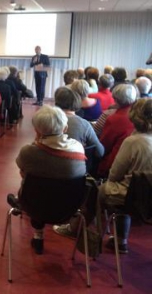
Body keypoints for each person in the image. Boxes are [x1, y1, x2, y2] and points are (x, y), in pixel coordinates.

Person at [8, 105, 86, 254]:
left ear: (36, 131)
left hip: (33, 205)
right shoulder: (78, 147)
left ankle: (38, 235)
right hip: (70, 207)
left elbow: (22, 172)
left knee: (38, 190)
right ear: (65, 128)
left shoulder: (28, 152)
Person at [98, 98, 152, 253]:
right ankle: (121, 240)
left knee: (101, 190)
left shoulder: (133, 142)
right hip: (148, 197)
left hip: (133, 197)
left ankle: (92, 237)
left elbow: (114, 174)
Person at [97, 84, 137, 177]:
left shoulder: (115, 119)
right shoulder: (139, 115)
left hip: (116, 165)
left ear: (116, 98)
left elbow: (104, 146)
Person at [54, 87, 104, 157]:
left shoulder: (47, 120)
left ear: (56, 102)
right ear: (77, 103)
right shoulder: (84, 124)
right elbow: (100, 152)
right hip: (76, 162)